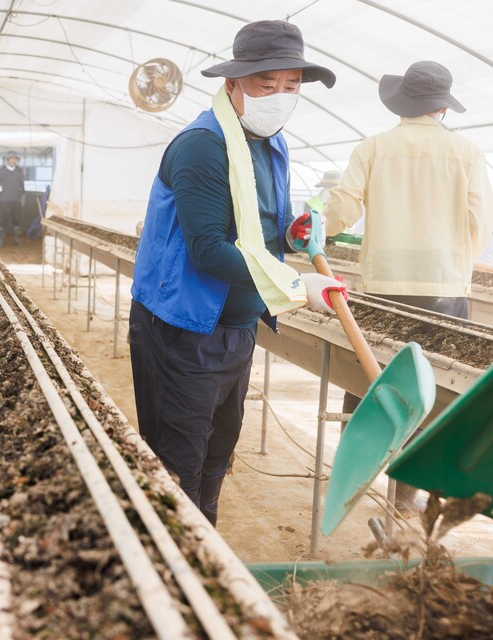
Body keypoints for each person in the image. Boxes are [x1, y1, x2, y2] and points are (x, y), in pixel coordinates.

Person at [129, 20, 346, 526]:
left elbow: (265, 227)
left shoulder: (272, 142)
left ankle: (202, 540)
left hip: (239, 326)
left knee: (218, 451)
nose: (281, 97)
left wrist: (292, 234)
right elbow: (208, 250)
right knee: (178, 459)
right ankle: (175, 552)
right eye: (266, 84)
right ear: (233, 84)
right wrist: (297, 285)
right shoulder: (203, 145)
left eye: (291, 85)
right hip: (185, 328)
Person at [324, 60, 493, 512]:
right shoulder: (466, 152)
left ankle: (354, 479)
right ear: (443, 107)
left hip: (384, 283)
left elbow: (342, 210)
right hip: (443, 288)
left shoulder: (373, 148)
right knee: (430, 385)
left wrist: (319, 231)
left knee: (365, 378)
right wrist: (455, 259)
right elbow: (479, 221)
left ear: (400, 103)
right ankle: (405, 496)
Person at [0, 150, 26, 247]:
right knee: (4, 220)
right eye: (12, 159)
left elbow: (22, 185)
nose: (13, 161)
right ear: (7, 160)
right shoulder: (2, 171)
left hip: (16, 199)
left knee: (17, 220)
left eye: (15, 159)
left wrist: (23, 196)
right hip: (5, 200)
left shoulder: (19, 171)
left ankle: (16, 239)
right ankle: (2, 240)